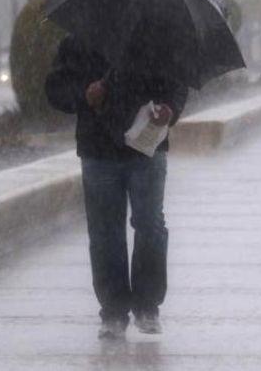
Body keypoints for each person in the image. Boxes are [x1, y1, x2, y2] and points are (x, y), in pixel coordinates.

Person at [45, 32, 187, 340]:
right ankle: (113, 310)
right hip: (98, 149)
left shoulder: (157, 34)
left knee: (150, 224)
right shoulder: (78, 39)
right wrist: (85, 94)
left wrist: (170, 109)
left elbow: (177, 82)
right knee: (105, 232)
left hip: (146, 147)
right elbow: (55, 88)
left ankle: (148, 305)